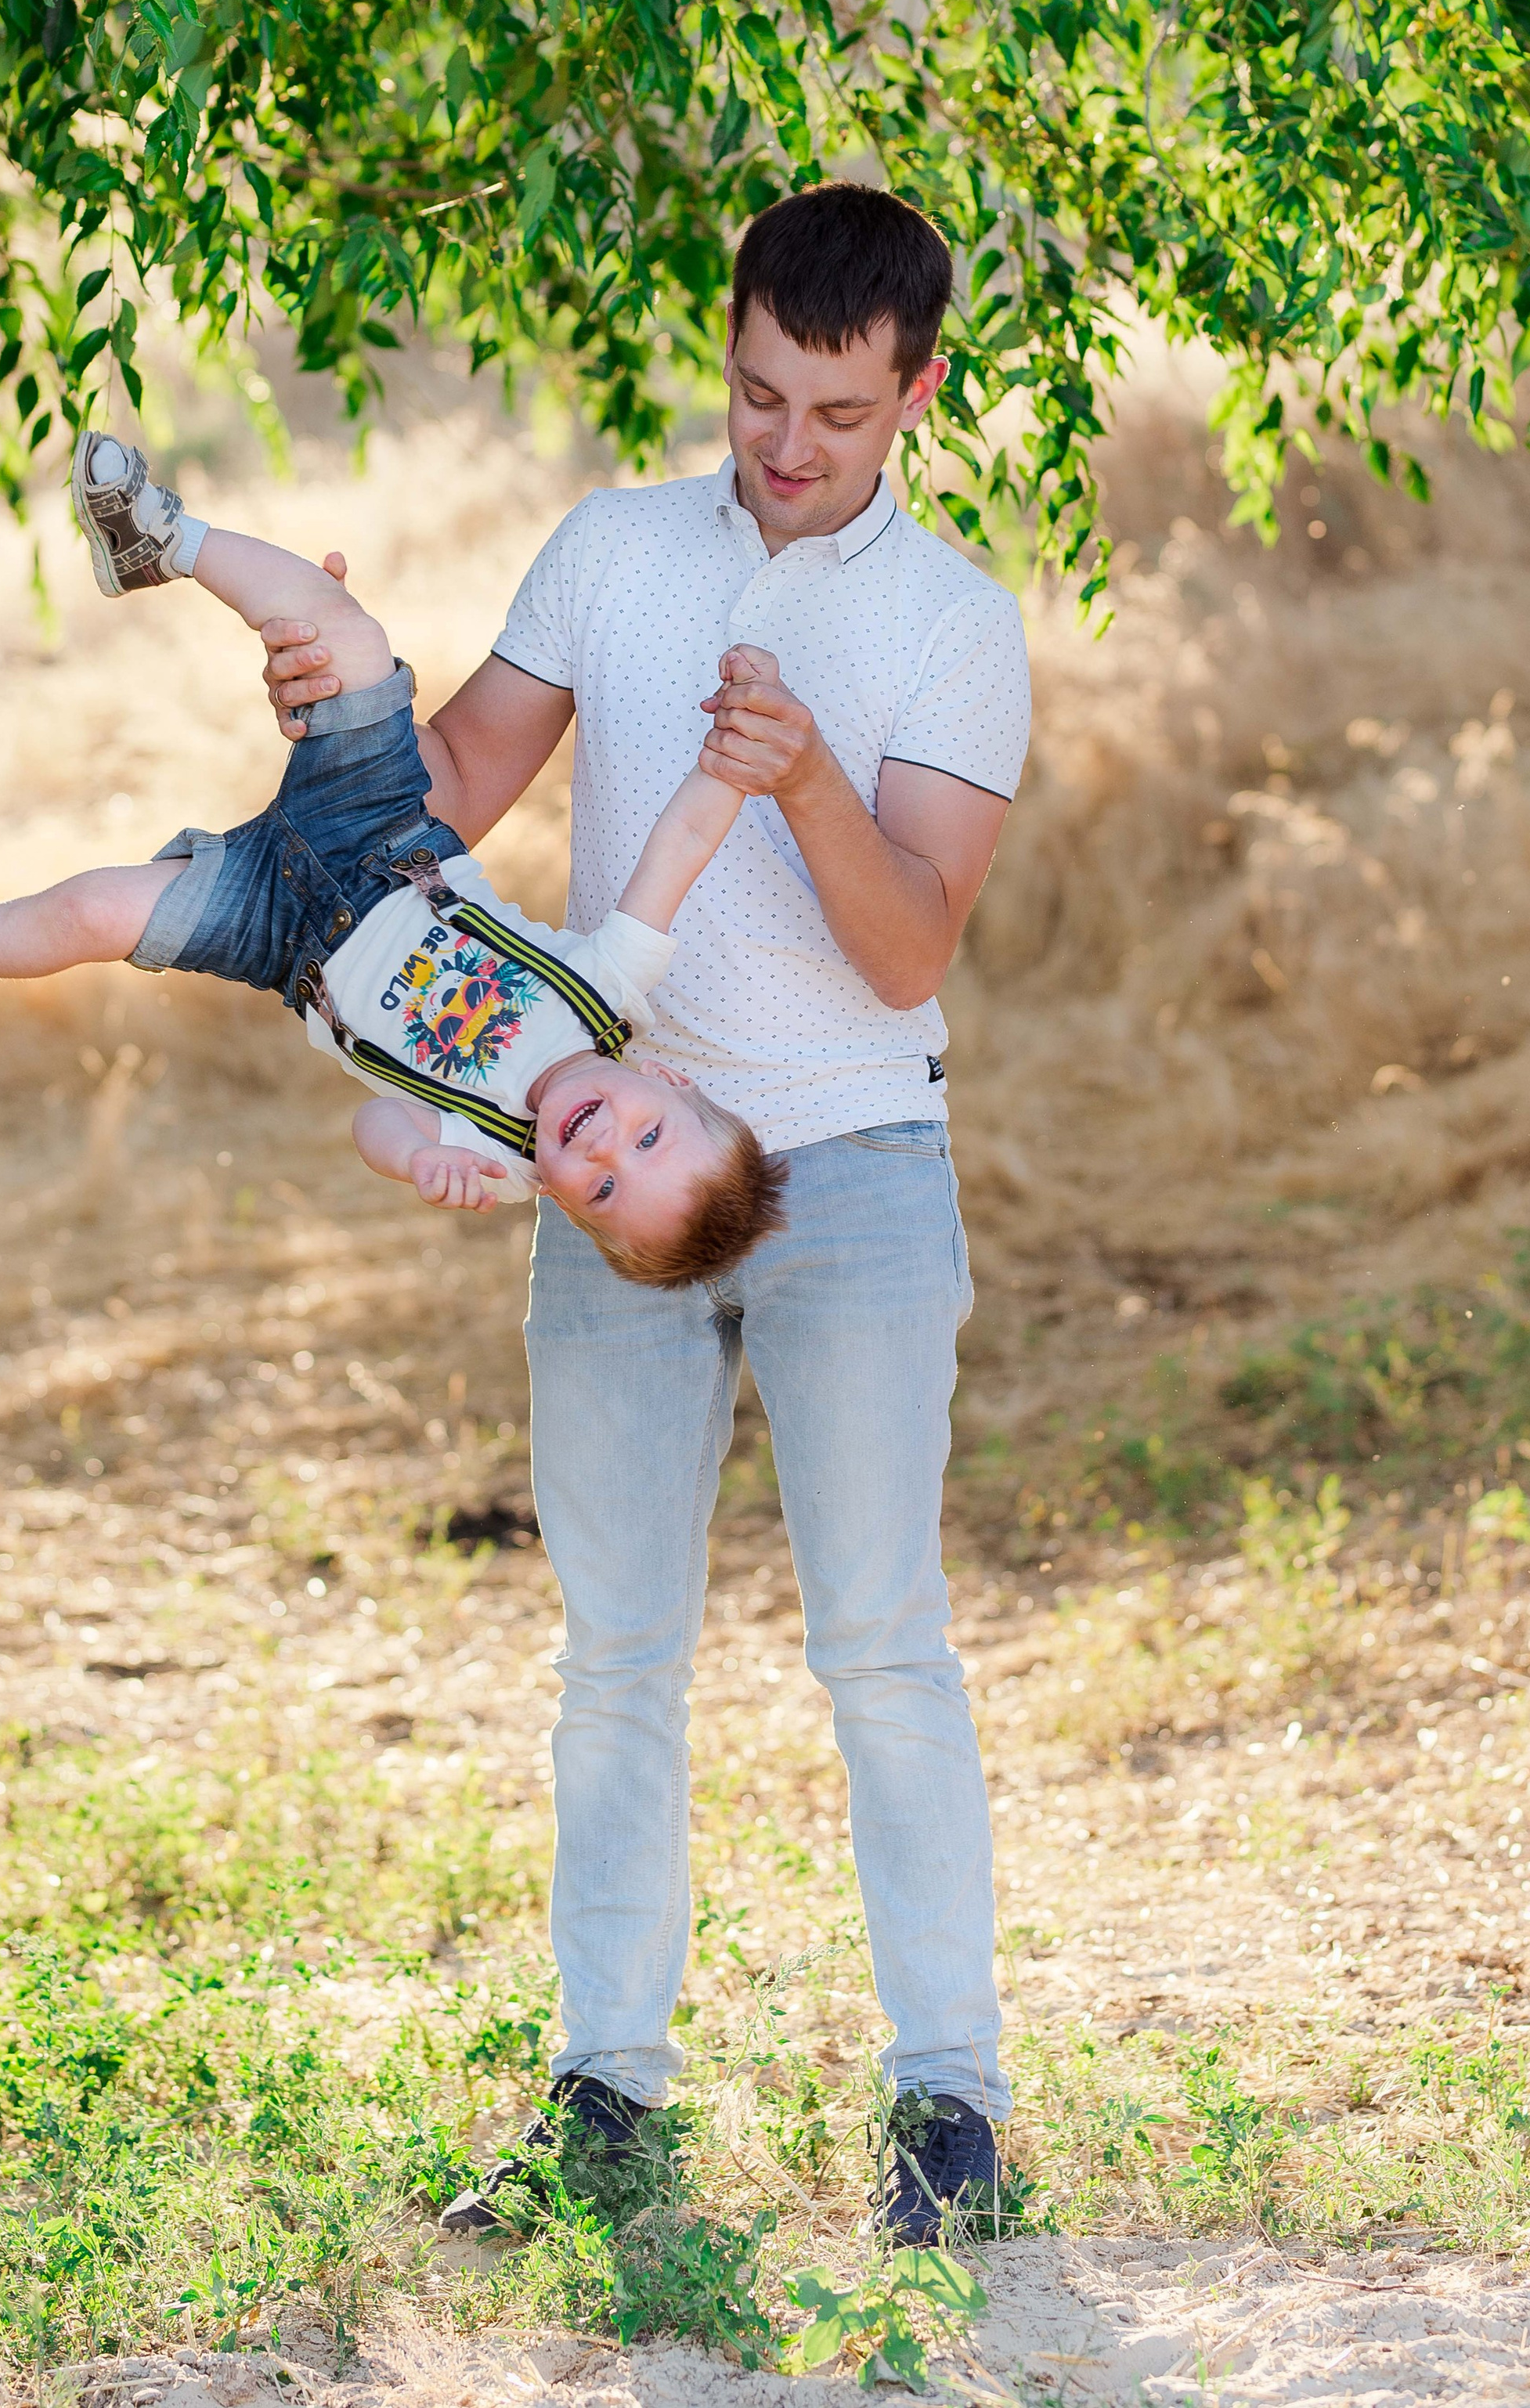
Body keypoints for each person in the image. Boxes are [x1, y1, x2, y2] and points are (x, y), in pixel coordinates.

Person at [261, 183, 1034, 2237]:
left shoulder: (955, 622)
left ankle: (950, 2109)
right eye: (760, 394)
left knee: (880, 1645)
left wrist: (802, 779)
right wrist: (332, 705)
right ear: (732, 348)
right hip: (612, 1176)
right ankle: (606, 2094)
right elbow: (447, 790)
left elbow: (909, 951)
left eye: (839, 414)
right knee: (615, 1655)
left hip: (854, 1172)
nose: (788, 444)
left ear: (915, 393)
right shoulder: (610, 550)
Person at [0, 438, 788, 1289]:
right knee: (341, 633)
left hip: (281, 933)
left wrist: (419, 1161)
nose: (605, 1149)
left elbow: (375, 1124)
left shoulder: (490, 1158)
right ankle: (162, 539)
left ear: (562, 1204)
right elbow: (678, 851)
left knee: (93, 915)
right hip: (384, 828)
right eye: (649, 1139)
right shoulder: (611, 988)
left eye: (603, 1190)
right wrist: (735, 757)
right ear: (664, 1078)